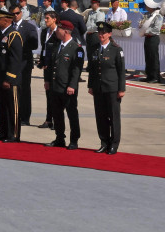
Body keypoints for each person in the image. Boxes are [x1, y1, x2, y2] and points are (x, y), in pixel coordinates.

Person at [43, 19, 83, 149]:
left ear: (65, 31)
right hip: (55, 86)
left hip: (67, 88)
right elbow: (50, 66)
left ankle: (74, 140)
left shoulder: (76, 48)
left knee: (72, 114)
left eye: (59, 29)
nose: (57, 31)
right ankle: (59, 137)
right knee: (57, 114)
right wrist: (48, 81)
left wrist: (72, 85)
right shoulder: (57, 45)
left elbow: (76, 69)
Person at [88, 21, 126, 154]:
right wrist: (91, 85)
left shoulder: (116, 49)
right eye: (99, 33)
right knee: (101, 116)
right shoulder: (94, 48)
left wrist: (121, 89)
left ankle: (114, 144)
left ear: (109, 34)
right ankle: (104, 142)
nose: (101, 35)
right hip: (98, 88)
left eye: (103, 33)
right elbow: (92, 70)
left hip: (112, 88)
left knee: (113, 117)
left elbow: (121, 71)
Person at [0, 8, 24, 142]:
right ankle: (3, 132)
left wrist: (9, 78)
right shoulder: (0, 34)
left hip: (11, 79)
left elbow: (15, 60)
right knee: (2, 107)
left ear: (6, 21)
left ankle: (14, 135)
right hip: (0, 77)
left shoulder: (14, 35)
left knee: (12, 108)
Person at [140, 3, 162, 83]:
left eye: (147, 5)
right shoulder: (148, 15)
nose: (146, 6)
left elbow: (156, 28)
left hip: (153, 37)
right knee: (148, 57)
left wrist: (145, 31)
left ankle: (156, 77)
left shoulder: (158, 15)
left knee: (153, 57)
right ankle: (149, 75)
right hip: (147, 37)